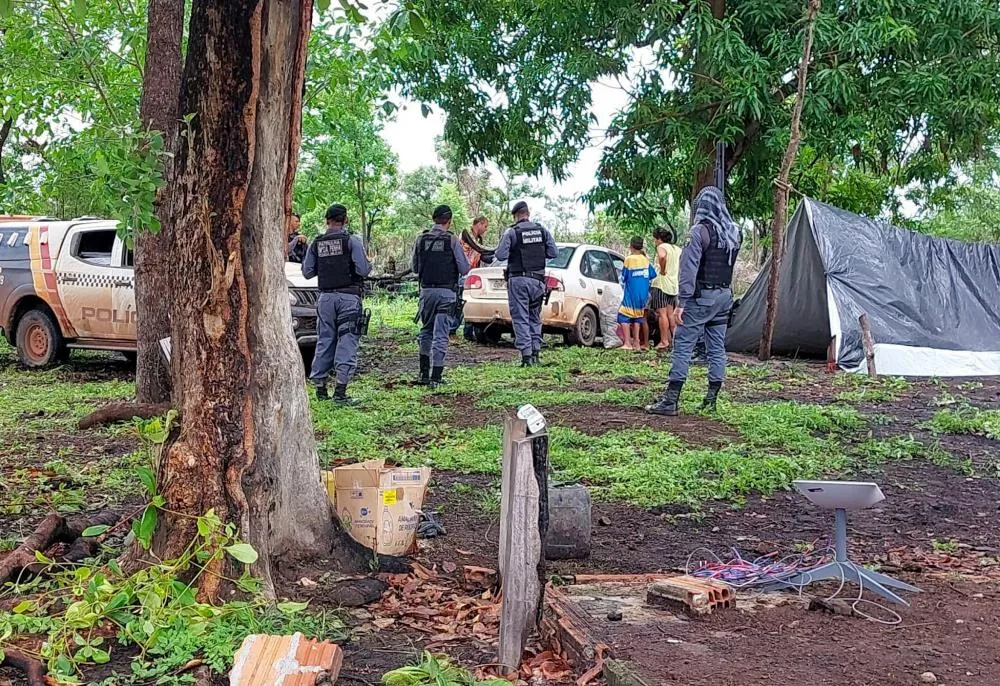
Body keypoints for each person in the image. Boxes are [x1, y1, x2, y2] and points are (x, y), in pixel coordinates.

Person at [646, 186, 742, 416]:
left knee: (683, 345)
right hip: (724, 297)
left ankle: (670, 401)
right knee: (716, 348)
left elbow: (688, 271)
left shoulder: (699, 232)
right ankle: (711, 399)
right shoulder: (735, 232)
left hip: (701, 298)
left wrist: (682, 303)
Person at [302, 204, 372, 404]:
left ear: (326, 221)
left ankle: (320, 389)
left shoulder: (317, 243)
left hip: (325, 299)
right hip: (349, 297)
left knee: (325, 339)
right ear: (346, 220)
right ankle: (340, 392)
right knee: (347, 340)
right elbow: (364, 270)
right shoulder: (352, 241)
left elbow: (307, 272)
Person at [494, 201, 558, 366]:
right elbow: (554, 252)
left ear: (515, 215)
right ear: (528, 213)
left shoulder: (512, 232)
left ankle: (526, 357)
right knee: (534, 318)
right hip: (538, 281)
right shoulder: (542, 230)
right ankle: (536, 353)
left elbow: (500, 256)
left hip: (518, 280)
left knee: (520, 318)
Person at [413, 205, 471, 387]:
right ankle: (436, 376)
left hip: (427, 292)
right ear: (449, 221)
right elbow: (464, 268)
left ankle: (423, 374)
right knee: (441, 334)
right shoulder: (452, 240)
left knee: (426, 330)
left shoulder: (420, 239)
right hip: (447, 293)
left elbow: (415, 268)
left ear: (434, 219)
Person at [450, 216, 493, 339]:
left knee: (470, 301)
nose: (486, 229)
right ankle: (452, 330)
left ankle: (468, 332)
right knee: (460, 303)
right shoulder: (466, 235)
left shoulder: (477, 239)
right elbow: (478, 250)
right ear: (479, 223)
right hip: (463, 273)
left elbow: (481, 255)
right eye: (485, 226)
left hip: (473, 274)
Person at [618, 236, 657, 351]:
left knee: (623, 316)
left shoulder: (629, 259)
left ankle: (627, 343)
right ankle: (637, 343)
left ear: (631, 246)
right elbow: (653, 274)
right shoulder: (645, 260)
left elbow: (624, 277)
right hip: (643, 294)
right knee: (638, 317)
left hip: (632, 292)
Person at [650, 226, 682, 350]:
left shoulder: (661, 247)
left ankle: (664, 341)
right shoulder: (677, 249)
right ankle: (674, 340)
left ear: (659, 239)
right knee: (670, 314)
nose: (655, 242)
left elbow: (662, 257)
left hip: (661, 284)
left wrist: (662, 270)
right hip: (673, 285)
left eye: (655, 239)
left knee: (662, 314)